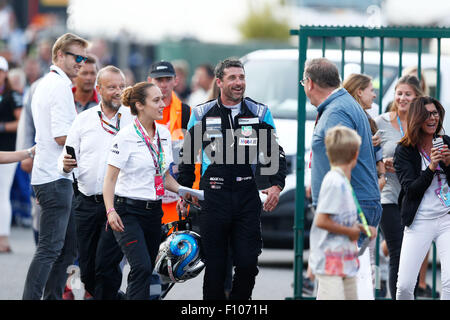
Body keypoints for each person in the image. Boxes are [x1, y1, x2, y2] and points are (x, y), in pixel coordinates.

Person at [178, 58, 287, 300]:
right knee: (215, 268)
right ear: (219, 82)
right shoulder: (201, 113)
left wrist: (276, 185)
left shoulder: (259, 112)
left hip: (247, 197)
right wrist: (184, 191)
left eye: (242, 77)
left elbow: (274, 153)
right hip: (213, 197)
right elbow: (186, 156)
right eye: (232, 78)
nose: (239, 83)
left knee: (248, 264)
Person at [303, 58, 382, 298]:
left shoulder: (337, 110)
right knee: (354, 286)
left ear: (309, 83)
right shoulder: (340, 106)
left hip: (346, 209)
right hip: (350, 207)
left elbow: (343, 158)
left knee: (336, 287)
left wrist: (349, 227)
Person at [103, 82, 187, 300]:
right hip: (127, 212)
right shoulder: (126, 135)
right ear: (140, 105)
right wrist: (110, 211)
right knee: (140, 266)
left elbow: (164, 176)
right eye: (156, 100)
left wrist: (183, 192)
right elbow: (110, 179)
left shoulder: (164, 133)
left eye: (162, 99)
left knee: (145, 270)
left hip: (153, 212)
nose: (163, 104)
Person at [22, 33, 89, 300]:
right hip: (54, 176)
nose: (81, 64)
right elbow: (62, 136)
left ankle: (50, 297)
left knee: (67, 248)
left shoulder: (49, 83)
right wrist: (89, 137)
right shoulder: (58, 85)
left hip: (55, 175)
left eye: (83, 58)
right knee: (50, 249)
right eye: (77, 57)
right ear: (60, 55)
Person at [58, 66, 133, 300]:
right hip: (86, 203)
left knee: (106, 265)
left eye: (121, 86)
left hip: (117, 206)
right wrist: (66, 164)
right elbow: (64, 158)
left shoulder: (132, 120)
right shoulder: (83, 120)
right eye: (112, 87)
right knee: (89, 269)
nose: (118, 91)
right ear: (99, 89)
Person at [309, 125, 376, 300]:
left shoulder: (343, 181)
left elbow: (341, 219)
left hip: (345, 261)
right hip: (330, 263)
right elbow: (321, 220)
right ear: (355, 155)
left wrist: (362, 228)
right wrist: (351, 232)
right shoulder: (334, 182)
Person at [394, 96, 450, 300]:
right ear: (417, 118)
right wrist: (432, 167)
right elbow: (411, 190)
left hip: (446, 219)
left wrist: (449, 164)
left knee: (449, 282)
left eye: (435, 113)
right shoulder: (405, 150)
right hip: (419, 221)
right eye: (427, 114)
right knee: (405, 286)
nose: (432, 118)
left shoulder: (446, 143)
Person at [374, 75, 423, 298]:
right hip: (387, 193)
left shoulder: (421, 125)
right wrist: (382, 164)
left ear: (417, 98)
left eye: (408, 94)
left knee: (409, 251)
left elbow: (427, 159)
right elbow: (368, 155)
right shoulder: (380, 121)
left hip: (412, 196)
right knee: (398, 249)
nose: (402, 98)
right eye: (399, 93)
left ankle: (387, 277)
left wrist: (406, 165)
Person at [147, 60, 192, 224]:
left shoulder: (187, 113)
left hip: (175, 199)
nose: (163, 84)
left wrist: (190, 192)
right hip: (145, 196)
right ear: (149, 81)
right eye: (159, 80)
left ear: (176, 80)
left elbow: (195, 157)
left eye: (167, 79)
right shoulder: (138, 112)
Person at [343, 73, 386, 191]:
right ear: (359, 92)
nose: (374, 95)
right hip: (355, 186)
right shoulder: (346, 117)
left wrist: (382, 177)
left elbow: (377, 155)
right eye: (371, 90)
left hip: (369, 185)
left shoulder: (368, 119)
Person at [0, 55, 23, 253]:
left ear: (5, 73)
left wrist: (2, 127)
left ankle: (4, 239)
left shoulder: (12, 95)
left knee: (2, 193)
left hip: (7, 150)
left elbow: (20, 122)